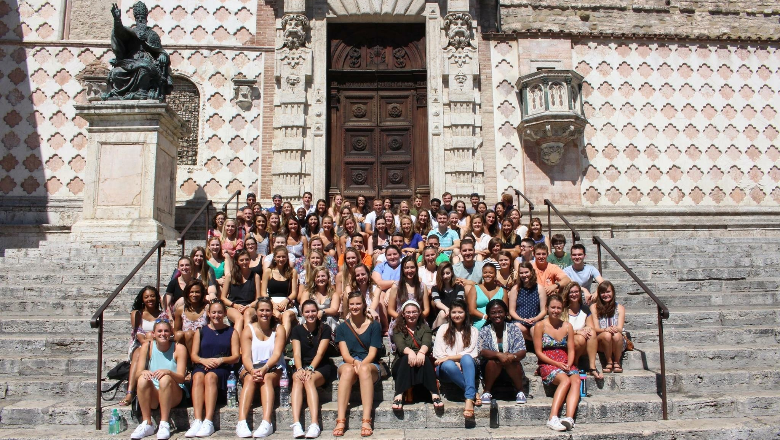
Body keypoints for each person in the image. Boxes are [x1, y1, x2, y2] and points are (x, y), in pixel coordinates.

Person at [186, 300, 240, 438]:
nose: (217, 315)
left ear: (225, 313)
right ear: (209, 314)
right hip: (202, 365)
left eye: (220, 312)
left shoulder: (231, 332)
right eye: (214, 312)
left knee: (210, 377)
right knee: (197, 376)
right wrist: (203, 360)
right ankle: (198, 420)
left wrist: (221, 360)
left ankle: (208, 420)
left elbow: (235, 356)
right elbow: (193, 355)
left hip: (222, 368)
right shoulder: (201, 331)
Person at [333, 292, 383, 437]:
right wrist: (355, 363)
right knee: (348, 370)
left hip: (369, 363)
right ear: (348, 306)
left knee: (365, 370)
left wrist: (360, 365)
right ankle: (340, 420)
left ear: (363, 305)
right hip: (349, 362)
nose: (355, 307)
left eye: (358, 304)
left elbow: (373, 354)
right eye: (352, 304)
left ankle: (366, 420)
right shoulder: (342, 328)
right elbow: (345, 354)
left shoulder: (374, 326)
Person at [235, 298, 287, 438]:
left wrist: (264, 369)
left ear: (272, 312)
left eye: (268, 310)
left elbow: (276, 354)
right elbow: (245, 356)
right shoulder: (248, 330)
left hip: (272, 366)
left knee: (267, 379)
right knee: (250, 379)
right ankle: (241, 422)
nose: (265, 313)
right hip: (252, 366)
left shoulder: (279, 329)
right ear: (256, 312)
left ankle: (266, 422)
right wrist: (252, 370)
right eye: (261, 310)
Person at [130, 319, 188, 440]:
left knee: (165, 379)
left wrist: (169, 372)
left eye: (166, 331)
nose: (163, 334)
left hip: (174, 392)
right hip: (154, 393)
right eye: (159, 331)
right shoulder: (147, 346)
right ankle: (147, 422)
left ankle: (164, 422)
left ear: (171, 332)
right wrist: (143, 372)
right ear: (153, 334)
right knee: (142, 379)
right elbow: (137, 373)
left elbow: (182, 378)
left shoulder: (179, 348)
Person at [289, 299, 337, 439]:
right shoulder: (297, 330)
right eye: (307, 312)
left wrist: (310, 368)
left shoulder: (325, 328)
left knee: (309, 380)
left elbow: (320, 353)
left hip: (320, 366)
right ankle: (296, 423)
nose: (310, 314)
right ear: (302, 313)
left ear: (317, 312)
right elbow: (296, 353)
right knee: (297, 379)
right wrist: (299, 369)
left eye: (313, 311)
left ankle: (314, 423)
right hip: (302, 365)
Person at [534, 295, 581, 431]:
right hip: (547, 362)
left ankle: (569, 418)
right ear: (547, 308)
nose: (555, 310)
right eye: (553, 307)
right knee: (565, 380)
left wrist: (569, 363)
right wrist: (557, 364)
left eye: (558, 308)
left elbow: (571, 349)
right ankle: (552, 417)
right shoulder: (540, 326)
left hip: (565, 361)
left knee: (576, 380)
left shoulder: (567, 326)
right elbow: (539, 352)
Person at [391, 300, 442, 411]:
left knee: (426, 359)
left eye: (414, 312)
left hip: (420, 361)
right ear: (403, 314)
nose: (411, 315)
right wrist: (410, 353)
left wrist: (421, 352)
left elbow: (427, 343)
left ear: (419, 313)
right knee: (406, 359)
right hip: (402, 363)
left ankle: (434, 393)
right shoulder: (397, 329)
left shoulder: (425, 328)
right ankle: (399, 394)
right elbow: (400, 346)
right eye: (408, 312)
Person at [122, 286, 168, 407]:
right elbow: (138, 335)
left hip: (156, 344)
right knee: (138, 353)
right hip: (140, 344)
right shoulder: (137, 314)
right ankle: (130, 392)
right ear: (142, 299)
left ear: (157, 298)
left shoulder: (163, 315)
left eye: (152, 296)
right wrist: (148, 341)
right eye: (146, 297)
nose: (150, 299)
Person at [434, 299, 479, 416]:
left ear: (466, 313)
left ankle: (468, 399)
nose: (457, 315)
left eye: (460, 312)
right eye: (454, 312)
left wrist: (450, 358)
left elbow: (472, 353)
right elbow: (439, 355)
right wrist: (453, 361)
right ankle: (472, 392)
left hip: (467, 366)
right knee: (449, 365)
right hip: (446, 370)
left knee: (467, 359)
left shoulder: (473, 331)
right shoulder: (443, 329)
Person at [478, 299, 527, 405]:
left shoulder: (514, 329)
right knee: (493, 361)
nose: (497, 315)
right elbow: (482, 351)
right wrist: (498, 355)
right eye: (493, 313)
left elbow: (522, 350)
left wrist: (512, 356)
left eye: (500, 312)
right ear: (489, 315)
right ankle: (487, 391)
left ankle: (520, 391)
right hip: (491, 369)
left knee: (512, 361)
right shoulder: (484, 330)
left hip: (512, 366)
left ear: (506, 313)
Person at [562, 282, 602, 379]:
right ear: (567, 294)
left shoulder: (584, 309)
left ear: (580, 293)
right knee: (579, 338)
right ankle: (574, 364)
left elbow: (591, 327)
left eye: (576, 292)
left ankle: (592, 367)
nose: (574, 294)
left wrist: (586, 329)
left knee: (591, 333)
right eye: (571, 292)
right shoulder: (563, 310)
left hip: (583, 343)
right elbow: (562, 330)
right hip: (566, 342)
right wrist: (577, 332)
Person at [387, 255, 430, 339]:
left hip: (417, 319)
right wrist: (404, 319)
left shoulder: (422, 286)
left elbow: (427, 309)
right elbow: (390, 310)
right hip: (400, 320)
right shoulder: (396, 286)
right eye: (406, 268)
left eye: (412, 267)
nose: (409, 270)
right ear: (402, 270)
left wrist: (416, 319)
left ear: (416, 269)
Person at [261, 245, 299, 336]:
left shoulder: (292, 272)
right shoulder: (268, 271)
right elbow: (263, 292)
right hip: (271, 302)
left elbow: (294, 292)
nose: (281, 259)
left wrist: (286, 301)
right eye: (278, 256)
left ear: (287, 258)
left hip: (287, 302)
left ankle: (281, 344)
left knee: (286, 316)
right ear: (274, 258)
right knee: (276, 315)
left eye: (283, 257)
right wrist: (272, 304)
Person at [221, 250, 261, 336]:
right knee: (239, 318)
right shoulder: (230, 276)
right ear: (237, 262)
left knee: (247, 315)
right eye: (241, 260)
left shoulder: (255, 276)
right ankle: (236, 344)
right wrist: (235, 305)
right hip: (233, 306)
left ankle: (246, 340)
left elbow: (258, 299)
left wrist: (248, 306)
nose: (245, 262)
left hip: (249, 306)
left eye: (247, 259)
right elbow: (223, 298)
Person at [590, 281, 626, 374]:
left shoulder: (620, 308)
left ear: (613, 292)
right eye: (602, 292)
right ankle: (609, 361)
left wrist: (613, 329)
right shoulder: (594, 307)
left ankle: (617, 362)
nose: (605, 295)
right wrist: (606, 329)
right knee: (607, 335)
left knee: (617, 335)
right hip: (601, 340)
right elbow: (596, 328)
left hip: (617, 339)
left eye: (608, 292)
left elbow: (620, 328)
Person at [508, 261, 547, 341]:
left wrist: (535, 319)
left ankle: (537, 349)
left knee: (534, 329)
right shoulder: (515, 289)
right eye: (521, 273)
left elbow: (544, 310)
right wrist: (522, 319)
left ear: (531, 272)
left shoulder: (539, 288)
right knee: (517, 326)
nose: (524, 275)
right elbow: (511, 311)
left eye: (526, 272)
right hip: (520, 320)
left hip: (535, 320)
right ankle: (530, 340)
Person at [298, 265, 341, 332]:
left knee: (329, 319)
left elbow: (334, 310)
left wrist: (323, 312)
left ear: (328, 278)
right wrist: (314, 314)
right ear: (314, 279)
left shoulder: (333, 294)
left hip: (327, 319)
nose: (320, 279)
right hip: (311, 317)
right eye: (318, 276)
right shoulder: (307, 292)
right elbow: (303, 307)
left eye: (323, 276)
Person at [466, 264, 507, 329]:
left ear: (495, 274)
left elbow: (505, 310)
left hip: (498, 322)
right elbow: (471, 310)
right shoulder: (475, 288)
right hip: (480, 322)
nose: (487, 274)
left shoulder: (502, 291)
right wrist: (486, 317)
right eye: (485, 272)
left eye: (491, 272)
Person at [173, 280, 209, 353]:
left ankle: (194, 360)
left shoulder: (207, 308)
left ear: (202, 294)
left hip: (203, 341)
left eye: (197, 292)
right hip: (185, 344)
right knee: (180, 334)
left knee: (189, 334)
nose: (194, 295)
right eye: (191, 292)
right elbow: (176, 331)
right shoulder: (180, 310)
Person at [430, 262, 466, 329]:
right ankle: (437, 334)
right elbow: (437, 303)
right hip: (441, 319)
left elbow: (458, 303)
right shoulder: (435, 289)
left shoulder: (459, 288)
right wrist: (446, 309)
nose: (445, 276)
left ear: (452, 273)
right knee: (442, 313)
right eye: (442, 274)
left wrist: (451, 311)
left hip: (455, 316)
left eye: (447, 273)